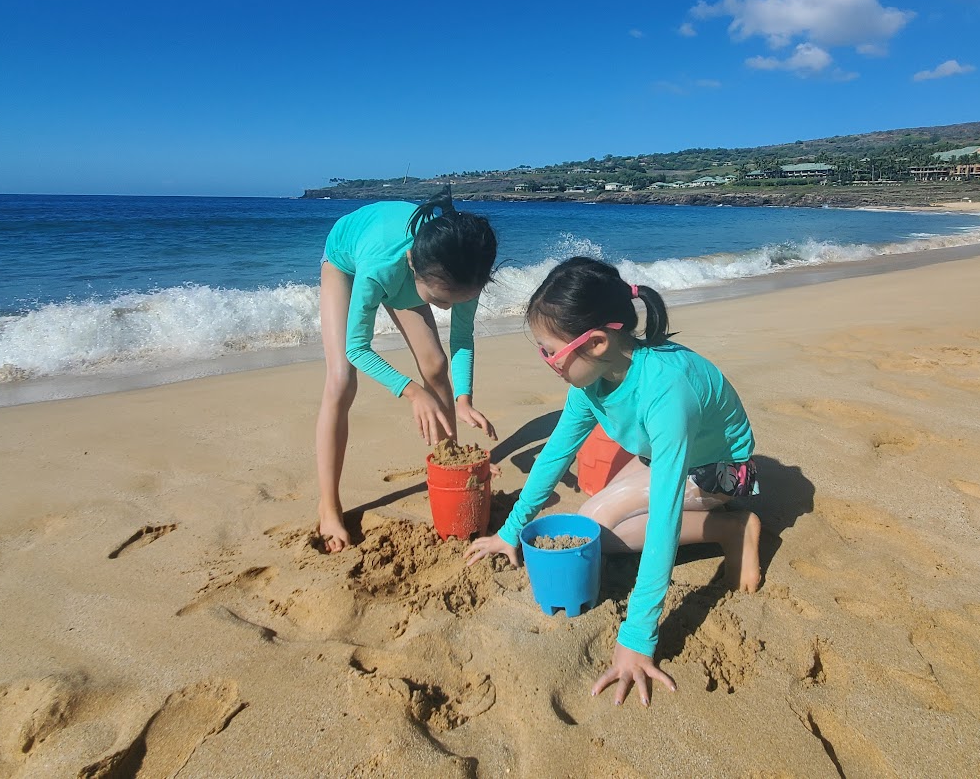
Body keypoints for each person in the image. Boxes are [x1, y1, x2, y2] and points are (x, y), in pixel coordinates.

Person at [466, 256, 761, 707]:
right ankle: (721, 526)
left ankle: (733, 527)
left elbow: (664, 512)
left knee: (598, 524)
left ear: (598, 342)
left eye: (551, 351)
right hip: (669, 458)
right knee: (601, 517)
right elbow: (555, 454)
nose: (546, 360)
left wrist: (638, 634)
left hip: (720, 471)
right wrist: (509, 533)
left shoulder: (666, 391)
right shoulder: (591, 383)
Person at [317, 189, 498, 552]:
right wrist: (411, 391)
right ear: (414, 264)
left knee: (435, 364)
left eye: (455, 301)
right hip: (347, 259)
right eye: (440, 302)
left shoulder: (466, 269)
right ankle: (328, 505)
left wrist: (464, 398)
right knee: (341, 379)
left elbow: (462, 336)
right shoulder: (382, 267)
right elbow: (357, 348)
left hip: (411, 269)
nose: (447, 309)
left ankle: (451, 460)